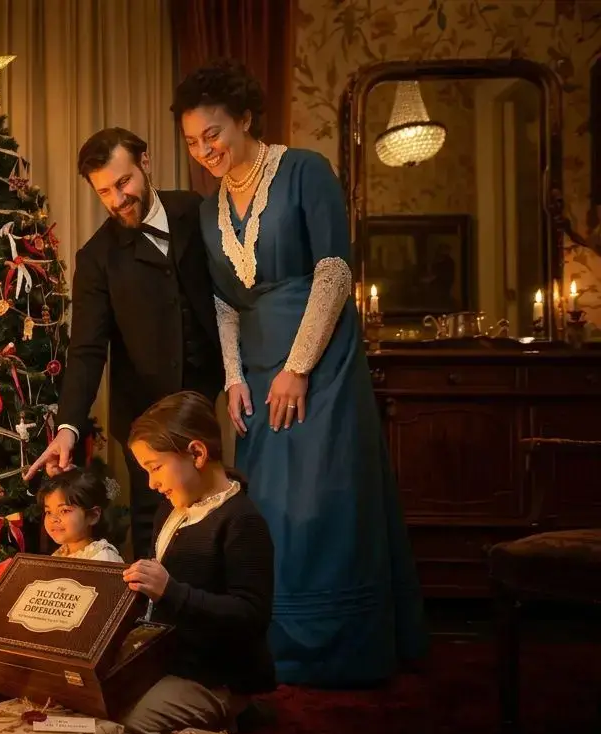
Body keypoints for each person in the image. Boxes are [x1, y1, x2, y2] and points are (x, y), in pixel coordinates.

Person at [172, 61, 427, 687]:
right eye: (192, 141)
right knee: (271, 514)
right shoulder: (207, 214)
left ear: (245, 120)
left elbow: (335, 272)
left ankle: (342, 652)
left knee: (324, 502)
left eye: (214, 134)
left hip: (322, 365)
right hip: (258, 375)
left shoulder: (305, 169)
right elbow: (224, 303)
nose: (206, 150)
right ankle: (273, 647)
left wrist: (297, 368)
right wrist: (236, 378)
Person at [24, 127, 224, 561]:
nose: (117, 199)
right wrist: (67, 427)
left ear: (145, 163)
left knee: (216, 517)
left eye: (124, 182)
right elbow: (87, 349)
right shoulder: (96, 258)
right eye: (104, 192)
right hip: (145, 421)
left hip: (212, 401)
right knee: (159, 530)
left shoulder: (196, 210)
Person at [115, 391, 275, 734]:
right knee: (94, 700)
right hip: (170, 658)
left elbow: (251, 615)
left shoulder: (241, 522)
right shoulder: (171, 509)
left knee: (126, 728)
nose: (151, 483)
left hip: (215, 675)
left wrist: (171, 592)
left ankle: (233, 709)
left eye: (155, 468)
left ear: (197, 454)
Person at [37, 466, 124, 563]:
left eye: (64, 511)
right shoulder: (58, 555)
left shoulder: (102, 557)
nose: (54, 519)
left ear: (93, 516)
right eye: (48, 512)